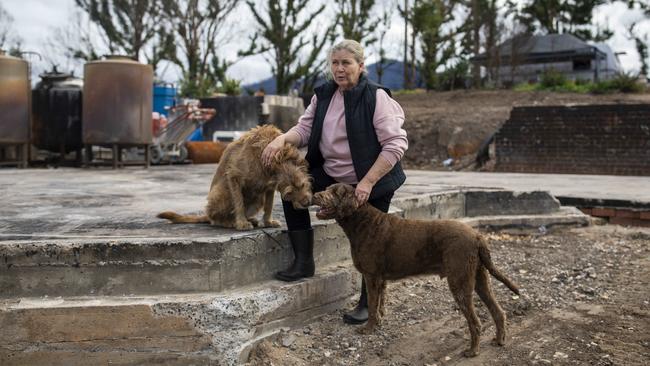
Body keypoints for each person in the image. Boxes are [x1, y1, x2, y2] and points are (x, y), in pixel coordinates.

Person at [261, 39, 408, 325]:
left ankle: (368, 303)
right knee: (293, 192)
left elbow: (395, 145)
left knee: (371, 241)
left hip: (372, 179)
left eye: (346, 63)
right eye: (335, 63)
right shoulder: (324, 95)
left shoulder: (376, 97)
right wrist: (281, 139)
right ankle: (303, 262)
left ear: (361, 66)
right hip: (331, 175)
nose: (339, 69)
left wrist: (366, 184)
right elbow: (304, 129)